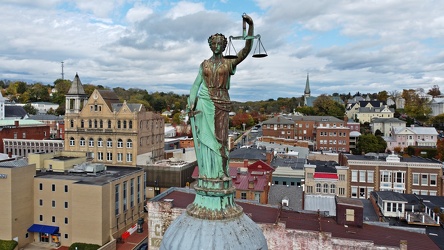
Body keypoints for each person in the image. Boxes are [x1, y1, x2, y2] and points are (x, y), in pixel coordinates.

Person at [188, 14, 254, 179]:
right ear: (210, 45)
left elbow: (246, 50)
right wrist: (191, 103)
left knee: (221, 139)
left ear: (224, 46)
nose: (217, 45)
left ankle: (221, 172)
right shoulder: (204, 64)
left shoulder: (228, 62)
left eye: (220, 43)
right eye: (214, 43)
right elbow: (196, 84)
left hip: (221, 103)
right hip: (204, 101)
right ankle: (208, 172)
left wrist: (251, 27)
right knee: (205, 140)